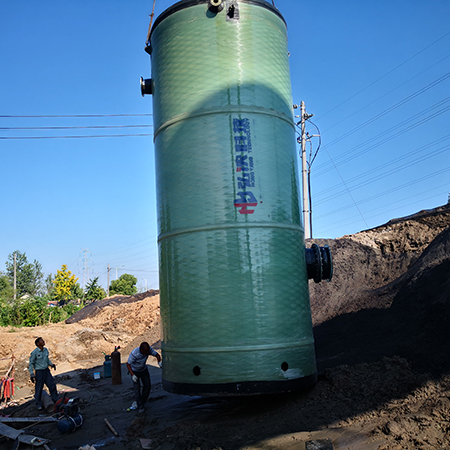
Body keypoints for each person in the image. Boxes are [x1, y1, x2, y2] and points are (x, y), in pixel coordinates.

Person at [127, 342, 161, 413]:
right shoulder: (134, 354)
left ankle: (142, 401)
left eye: (148, 351)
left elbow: (157, 355)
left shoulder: (148, 350)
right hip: (135, 371)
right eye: (145, 351)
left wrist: (159, 362)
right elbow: (128, 364)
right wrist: (133, 375)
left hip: (144, 370)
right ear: (141, 350)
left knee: (147, 386)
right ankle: (140, 405)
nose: (147, 353)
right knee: (137, 388)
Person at [29, 337, 58, 410]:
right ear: (38, 344)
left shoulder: (45, 350)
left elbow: (47, 359)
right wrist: (32, 374)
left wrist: (51, 364)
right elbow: (31, 364)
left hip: (46, 371)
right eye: (41, 341)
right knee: (39, 388)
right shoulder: (35, 353)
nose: (43, 341)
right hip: (39, 372)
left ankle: (55, 400)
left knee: (52, 385)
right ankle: (38, 404)